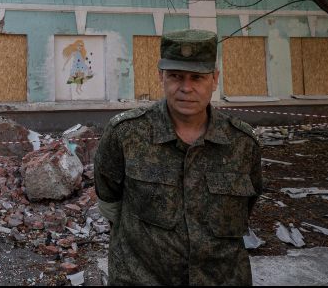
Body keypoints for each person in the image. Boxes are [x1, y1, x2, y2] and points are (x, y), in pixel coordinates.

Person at [94, 29, 262, 285]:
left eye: (197, 77)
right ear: (161, 76)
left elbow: (247, 205)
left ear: (214, 79)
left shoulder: (241, 143)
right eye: (175, 76)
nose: (186, 88)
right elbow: (109, 201)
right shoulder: (126, 134)